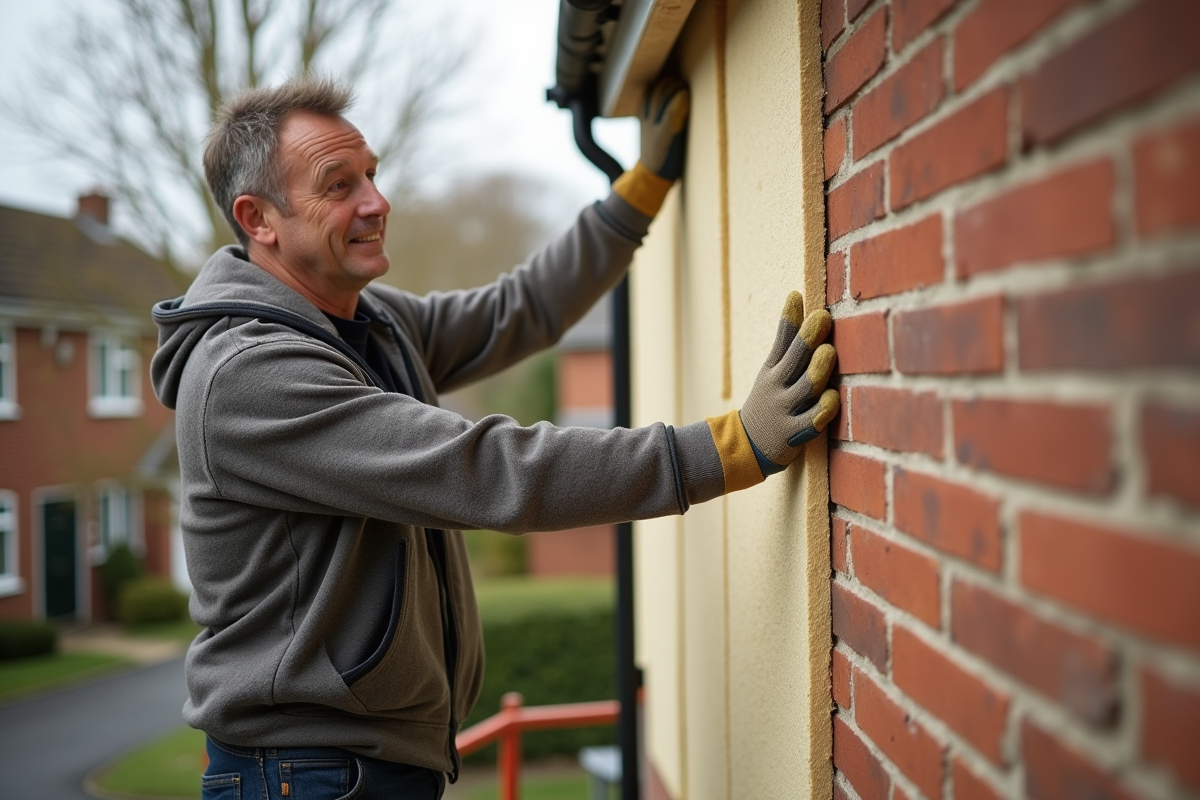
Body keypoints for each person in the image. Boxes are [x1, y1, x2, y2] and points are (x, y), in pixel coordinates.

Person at [151, 76, 838, 800]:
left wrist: (638, 192)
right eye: (338, 185)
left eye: (373, 175)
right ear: (258, 218)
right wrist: (732, 447)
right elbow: (486, 472)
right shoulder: (249, 377)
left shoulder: (368, 322)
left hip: (352, 766)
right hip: (301, 774)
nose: (377, 203)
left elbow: (520, 308)